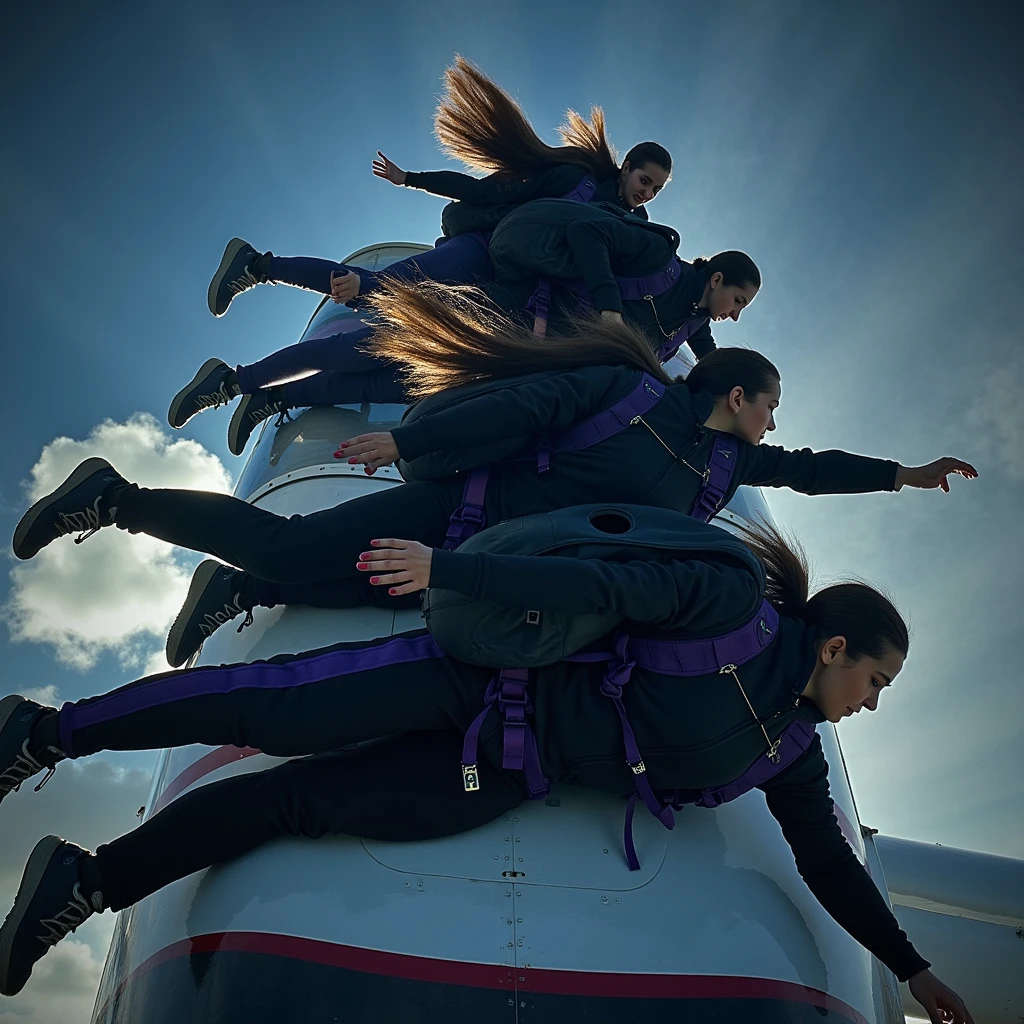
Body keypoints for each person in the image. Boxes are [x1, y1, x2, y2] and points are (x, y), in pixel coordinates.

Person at [0, 522, 975, 1023]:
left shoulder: (789, 748)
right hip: (472, 675)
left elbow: (832, 865)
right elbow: (593, 586)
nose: (872, 701)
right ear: (834, 644)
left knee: (298, 802)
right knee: (269, 699)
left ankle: (83, 883)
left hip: (512, 769)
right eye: (875, 679)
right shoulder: (730, 606)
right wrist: (448, 567)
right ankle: (46, 733)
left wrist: (912, 968)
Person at [14, 283, 976, 665]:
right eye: (771, 403)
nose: (776, 423)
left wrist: (904, 474)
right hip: (465, 509)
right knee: (299, 548)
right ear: (735, 391)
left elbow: (809, 470)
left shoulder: (723, 466)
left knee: (381, 600)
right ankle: (113, 496)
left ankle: (236, 588)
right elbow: (517, 411)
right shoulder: (631, 394)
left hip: (517, 563)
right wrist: (409, 446)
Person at [173, 239, 757, 455]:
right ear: (716, 278)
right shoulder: (657, 260)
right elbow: (584, 239)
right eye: (738, 300)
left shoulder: (688, 324)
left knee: (388, 380)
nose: (734, 316)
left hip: (505, 359)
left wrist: (738, 398)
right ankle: (253, 294)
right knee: (372, 299)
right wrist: (603, 302)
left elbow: (715, 362)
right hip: (499, 302)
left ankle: (265, 395)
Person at [204, 57, 672, 320]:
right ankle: (259, 265)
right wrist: (410, 180)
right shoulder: (575, 180)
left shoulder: (635, 228)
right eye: (644, 180)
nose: (646, 193)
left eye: (656, 190)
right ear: (626, 167)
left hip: (515, 289)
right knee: (383, 287)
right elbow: (487, 193)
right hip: (485, 248)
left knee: (413, 316)